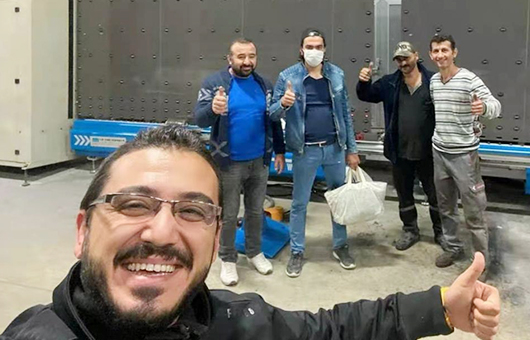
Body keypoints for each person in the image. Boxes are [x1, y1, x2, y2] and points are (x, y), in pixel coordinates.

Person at [1, 125, 500, 340]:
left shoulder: (232, 322)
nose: (162, 231)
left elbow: (328, 331)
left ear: (218, 233)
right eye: (134, 204)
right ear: (83, 230)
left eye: (192, 211)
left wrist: (440, 308)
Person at [270, 28, 361, 278]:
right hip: (305, 151)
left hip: (334, 149)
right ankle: (297, 251)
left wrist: (352, 149)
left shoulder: (336, 74)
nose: (314, 51)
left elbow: (345, 114)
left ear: (324, 49)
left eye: (318, 47)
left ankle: (340, 246)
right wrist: (284, 103)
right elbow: (272, 113)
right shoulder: (287, 76)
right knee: (299, 203)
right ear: (301, 50)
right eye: (309, 47)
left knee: (338, 200)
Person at [194, 38, 285, 286]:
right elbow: (200, 119)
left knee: (255, 211)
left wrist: (279, 150)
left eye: (251, 56)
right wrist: (213, 109)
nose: (247, 61)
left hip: (260, 161)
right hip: (229, 163)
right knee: (229, 214)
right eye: (241, 56)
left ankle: (255, 252)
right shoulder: (215, 84)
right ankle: (228, 258)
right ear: (230, 59)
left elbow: (274, 120)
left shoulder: (264, 85)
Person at [356, 41, 444, 251]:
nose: (403, 63)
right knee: (404, 194)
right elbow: (366, 95)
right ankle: (410, 230)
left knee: (436, 195)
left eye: (406, 58)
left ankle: (441, 232)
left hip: (429, 152)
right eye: (399, 59)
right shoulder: (390, 83)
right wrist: (364, 82)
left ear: (416, 56)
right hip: (399, 150)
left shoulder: (434, 81)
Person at [428, 35, 502, 269]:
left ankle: (480, 263)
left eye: (444, 50)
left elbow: (496, 106)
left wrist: (484, 107)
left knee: (474, 211)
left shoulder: (469, 79)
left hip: (464, 156)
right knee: (446, 207)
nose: (440, 55)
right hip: (439, 153)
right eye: (436, 51)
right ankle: (452, 247)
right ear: (431, 55)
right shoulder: (434, 81)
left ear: (454, 53)